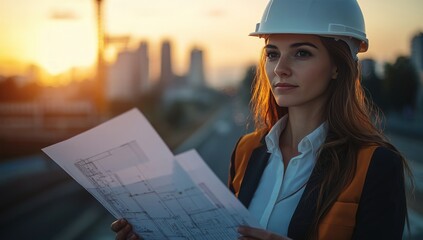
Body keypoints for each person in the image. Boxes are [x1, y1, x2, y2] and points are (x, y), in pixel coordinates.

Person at [111, 0, 411, 239]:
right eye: (272, 53)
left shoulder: (377, 165)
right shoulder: (247, 150)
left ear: (337, 66)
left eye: (302, 53)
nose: (280, 68)